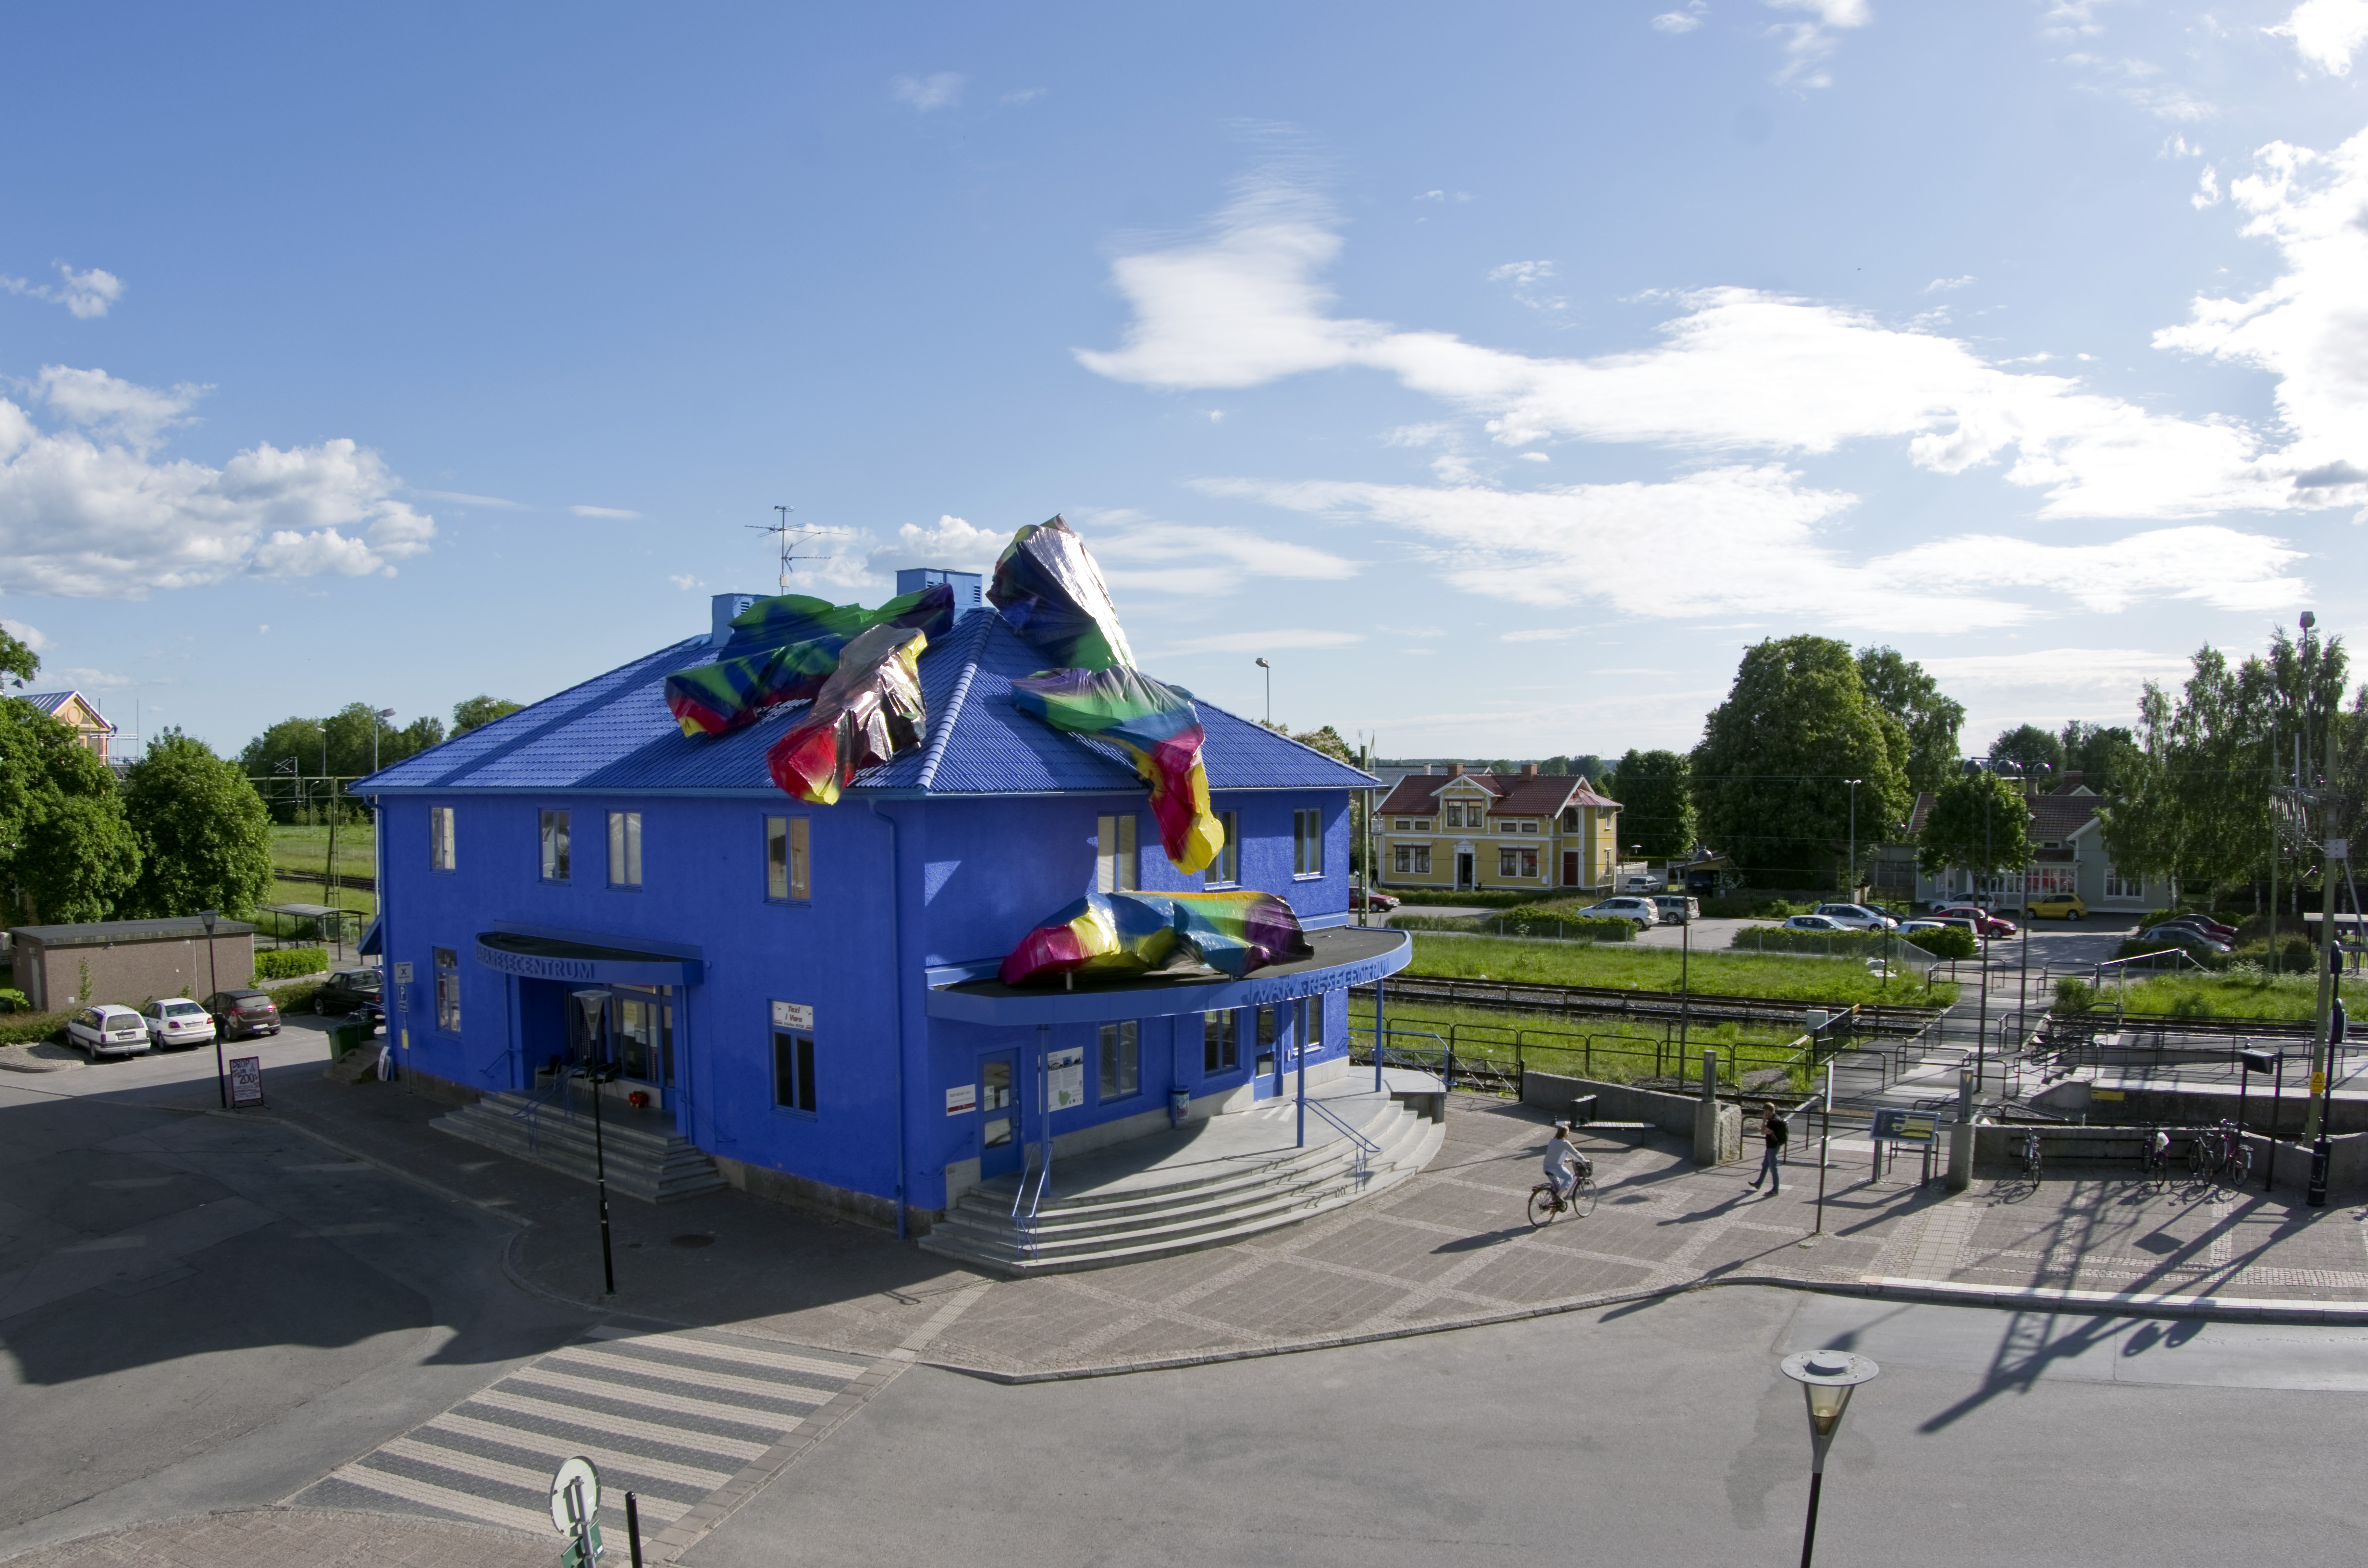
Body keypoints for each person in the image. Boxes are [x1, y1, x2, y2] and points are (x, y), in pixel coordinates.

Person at [1747, 1104, 1788, 1194]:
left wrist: (1764, 1121)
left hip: (1772, 1147)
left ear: (1768, 1111)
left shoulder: (1773, 1122)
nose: (1764, 1113)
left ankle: (1775, 1190)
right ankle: (1758, 1184)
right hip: (1774, 1146)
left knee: (1774, 1169)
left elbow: (1762, 1132)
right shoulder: (1778, 1118)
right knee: (1765, 1166)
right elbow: (1767, 1132)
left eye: (1764, 1112)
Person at [1542, 1123, 1587, 1203]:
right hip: (1556, 1168)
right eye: (1568, 1133)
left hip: (1546, 1167)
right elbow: (1576, 1154)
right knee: (1569, 1178)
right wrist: (1584, 1161)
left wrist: (1563, 1160)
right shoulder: (1565, 1143)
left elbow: (1554, 1153)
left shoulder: (1553, 1140)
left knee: (1557, 1184)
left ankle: (1555, 1204)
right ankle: (1558, 1196)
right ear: (1565, 1134)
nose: (1569, 1134)